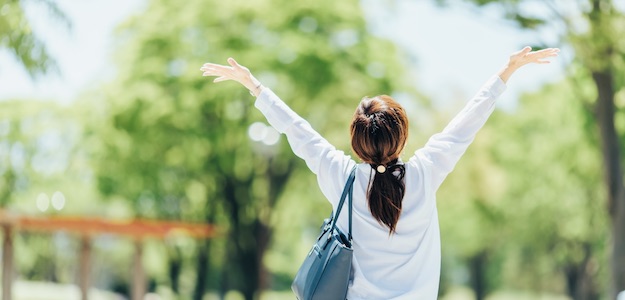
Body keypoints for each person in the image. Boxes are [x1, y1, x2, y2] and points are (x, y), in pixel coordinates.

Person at [200, 46, 559, 299]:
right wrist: (506, 73)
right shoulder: (425, 172)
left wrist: (255, 87)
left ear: (356, 142)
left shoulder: (343, 176)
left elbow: (298, 131)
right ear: (402, 135)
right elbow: (465, 124)